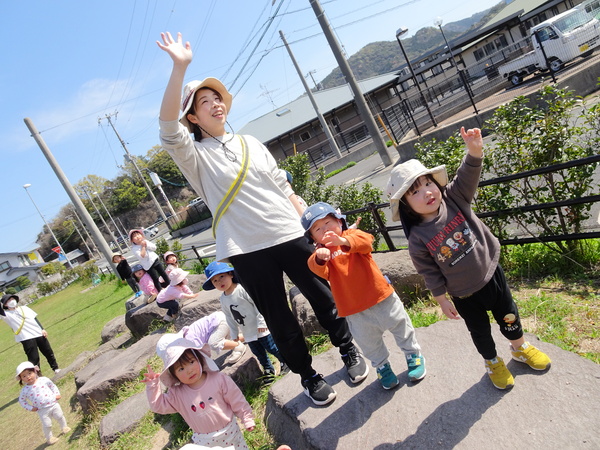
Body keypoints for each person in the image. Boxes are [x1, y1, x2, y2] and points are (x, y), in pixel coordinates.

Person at [156, 31, 367, 406]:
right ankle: (308, 375)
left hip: (287, 231)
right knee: (278, 317)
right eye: (204, 103)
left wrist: (304, 214)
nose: (215, 105)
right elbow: (168, 129)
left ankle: (349, 349)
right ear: (193, 116)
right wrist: (179, 67)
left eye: (216, 98)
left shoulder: (250, 142)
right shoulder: (194, 157)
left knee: (323, 295)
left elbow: (282, 185)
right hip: (246, 247)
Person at [387, 126, 552, 390]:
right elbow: (429, 271)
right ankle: (492, 361)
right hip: (464, 294)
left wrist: (474, 150)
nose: (427, 192)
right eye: (415, 191)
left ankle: (519, 347)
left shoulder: (454, 198)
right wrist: (441, 299)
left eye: (428, 183)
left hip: (491, 273)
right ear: (405, 204)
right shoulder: (418, 237)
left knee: (509, 314)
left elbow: (468, 174)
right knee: (480, 332)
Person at [302, 202, 425, 389]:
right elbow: (315, 268)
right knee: (369, 343)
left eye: (328, 223)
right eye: (318, 229)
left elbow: (367, 241)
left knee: (401, 326)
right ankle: (382, 366)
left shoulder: (351, 236)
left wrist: (342, 242)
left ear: (339, 221)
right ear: (312, 238)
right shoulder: (321, 254)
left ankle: (413, 355)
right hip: (354, 310)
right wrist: (320, 256)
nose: (325, 229)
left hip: (381, 296)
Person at [143, 334, 255, 449]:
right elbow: (158, 406)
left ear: (199, 359)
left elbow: (237, 399)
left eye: (191, 362)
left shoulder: (218, 379)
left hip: (231, 433)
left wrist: (247, 418)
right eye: (181, 369)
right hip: (205, 441)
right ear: (174, 375)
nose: (189, 370)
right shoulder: (177, 394)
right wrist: (152, 385)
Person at [203, 261, 289, 382]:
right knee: (258, 353)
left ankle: (285, 361)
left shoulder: (242, 289)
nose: (219, 282)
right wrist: (234, 334)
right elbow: (229, 316)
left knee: (271, 347)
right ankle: (268, 369)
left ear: (230, 274)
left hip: (260, 328)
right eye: (215, 280)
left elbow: (257, 304)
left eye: (222, 276)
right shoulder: (223, 299)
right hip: (247, 332)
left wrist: (261, 322)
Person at [1, 294, 60, 373]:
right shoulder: (6, 315)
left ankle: (56, 368)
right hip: (25, 337)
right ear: (5, 304)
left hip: (38, 333)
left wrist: (42, 329)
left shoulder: (24, 308)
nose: (11, 301)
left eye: (12, 299)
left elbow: (34, 318)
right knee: (34, 358)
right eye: (8, 300)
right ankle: (37, 376)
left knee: (48, 352)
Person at [16, 361, 70, 445]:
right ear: (21, 378)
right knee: (47, 424)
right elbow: (22, 401)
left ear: (35, 371)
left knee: (60, 416)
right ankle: (50, 438)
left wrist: (57, 394)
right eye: (24, 376)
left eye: (29, 373)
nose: (28, 377)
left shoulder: (43, 380)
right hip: (42, 410)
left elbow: (52, 386)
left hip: (53, 404)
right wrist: (30, 408)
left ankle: (64, 427)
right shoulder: (25, 390)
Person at [178, 311, 247, 364]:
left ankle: (238, 346)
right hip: (219, 320)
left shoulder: (189, 339)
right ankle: (250, 336)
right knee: (228, 340)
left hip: (219, 322)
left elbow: (202, 352)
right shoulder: (186, 335)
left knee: (214, 343)